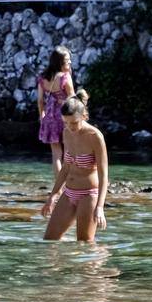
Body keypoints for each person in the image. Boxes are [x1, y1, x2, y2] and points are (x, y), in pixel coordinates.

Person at [41, 90, 108, 242]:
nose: (70, 127)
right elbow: (65, 168)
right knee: (50, 241)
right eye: (66, 122)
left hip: (89, 195)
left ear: (84, 116)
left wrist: (100, 207)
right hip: (69, 192)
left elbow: (104, 176)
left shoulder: (95, 137)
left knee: (84, 244)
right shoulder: (66, 133)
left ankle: (99, 262)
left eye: (74, 123)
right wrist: (53, 196)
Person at [37, 45, 75, 176]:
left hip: (50, 118)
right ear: (60, 62)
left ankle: (59, 186)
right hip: (65, 118)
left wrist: (41, 115)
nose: (70, 62)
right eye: (67, 60)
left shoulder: (42, 78)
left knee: (56, 155)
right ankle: (70, 183)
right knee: (68, 152)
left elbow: (40, 100)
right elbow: (72, 99)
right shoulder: (65, 77)